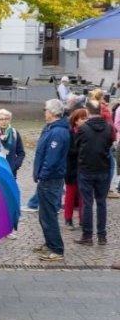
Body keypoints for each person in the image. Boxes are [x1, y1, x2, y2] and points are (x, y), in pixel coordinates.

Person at [32, 99, 69, 262]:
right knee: (44, 214)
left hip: (50, 179)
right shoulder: (51, 128)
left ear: (52, 112)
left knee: (49, 215)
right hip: (47, 178)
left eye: (45, 109)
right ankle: (49, 243)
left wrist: (43, 175)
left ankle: (57, 248)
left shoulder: (58, 132)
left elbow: (52, 160)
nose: (44, 112)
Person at [75, 98, 113, 246]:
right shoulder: (109, 128)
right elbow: (109, 145)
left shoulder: (83, 129)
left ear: (88, 111)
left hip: (86, 169)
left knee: (87, 203)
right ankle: (102, 236)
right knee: (102, 203)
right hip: (103, 169)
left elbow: (77, 146)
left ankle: (87, 235)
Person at [0, 108, 26, 239]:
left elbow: (21, 152)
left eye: (6, 119)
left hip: (9, 172)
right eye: (1, 119)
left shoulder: (14, 133)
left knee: (8, 201)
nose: (4, 121)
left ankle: (7, 229)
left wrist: (15, 165)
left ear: (10, 120)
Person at [64, 108, 88, 230]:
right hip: (72, 168)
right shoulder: (70, 133)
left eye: (86, 118)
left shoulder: (87, 132)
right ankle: (68, 219)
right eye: (83, 119)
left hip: (84, 168)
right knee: (70, 195)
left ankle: (82, 219)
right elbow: (69, 151)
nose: (85, 121)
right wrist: (82, 151)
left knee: (83, 195)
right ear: (76, 120)